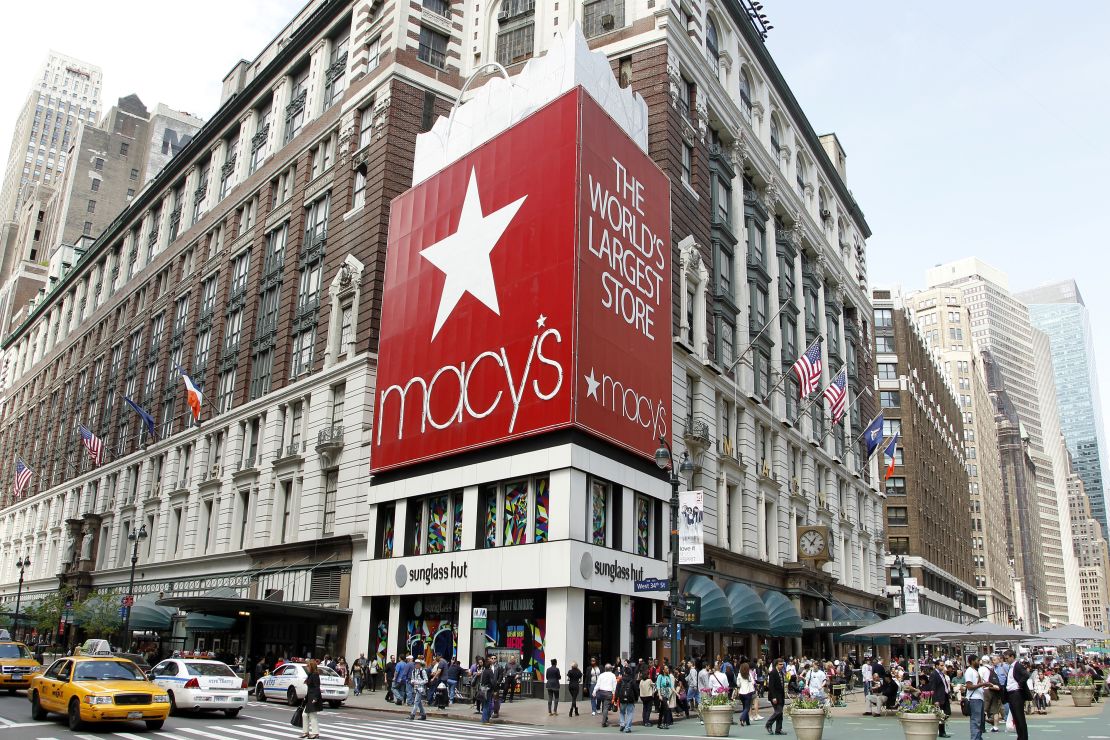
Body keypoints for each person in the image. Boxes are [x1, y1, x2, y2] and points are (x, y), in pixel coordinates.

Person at [1004, 650, 1031, 740]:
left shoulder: (1017, 665)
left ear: (1012, 657)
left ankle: (1023, 737)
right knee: (1016, 717)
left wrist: (1019, 684)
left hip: (1017, 694)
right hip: (1011, 694)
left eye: (1007, 658)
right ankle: (1020, 737)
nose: (1006, 660)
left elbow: (1026, 675)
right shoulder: (1011, 667)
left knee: (1019, 718)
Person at [927, 658, 953, 738]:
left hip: (944, 696)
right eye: (941, 665)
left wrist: (948, 696)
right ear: (936, 666)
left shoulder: (942, 674)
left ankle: (941, 730)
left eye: (943, 665)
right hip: (938, 697)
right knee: (941, 714)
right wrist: (935, 700)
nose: (943, 666)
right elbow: (932, 688)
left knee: (947, 713)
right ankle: (941, 731)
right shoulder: (934, 674)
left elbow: (945, 686)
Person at [963, 655, 987, 740]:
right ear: (972, 661)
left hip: (979, 698)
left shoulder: (975, 671)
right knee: (976, 721)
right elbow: (969, 686)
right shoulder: (969, 671)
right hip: (974, 699)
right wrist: (982, 684)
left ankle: (978, 738)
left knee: (980, 721)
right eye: (977, 660)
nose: (979, 662)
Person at [300, 659, 323, 739]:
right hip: (309, 697)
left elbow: (317, 687)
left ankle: (315, 733)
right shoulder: (310, 674)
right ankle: (306, 732)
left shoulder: (315, 675)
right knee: (305, 714)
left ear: (312, 667)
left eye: (308, 666)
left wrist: (315, 698)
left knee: (313, 715)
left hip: (314, 697)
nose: (307, 668)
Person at [765, 657, 787, 736]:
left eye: (782, 664)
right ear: (776, 665)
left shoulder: (781, 672)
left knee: (780, 713)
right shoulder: (773, 673)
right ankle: (769, 723)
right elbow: (771, 686)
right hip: (774, 696)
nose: (782, 666)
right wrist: (773, 697)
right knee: (778, 711)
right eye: (780, 664)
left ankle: (778, 729)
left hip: (781, 696)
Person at [593, 663, 617, 728]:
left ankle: (605, 718)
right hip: (608, 693)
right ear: (611, 669)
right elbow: (615, 686)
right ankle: (604, 721)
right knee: (606, 707)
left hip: (601, 693)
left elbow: (598, 684)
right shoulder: (613, 675)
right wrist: (614, 694)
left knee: (604, 706)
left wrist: (594, 691)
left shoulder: (601, 675)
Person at [617, 666, 638, 733]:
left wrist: (616, 699)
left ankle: (622, 724)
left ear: (624, 672)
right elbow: (635, 690)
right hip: (630, 699)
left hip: (622, 699)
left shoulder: (621, 680)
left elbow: (617, 690)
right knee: (630, 713)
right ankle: (627, 728)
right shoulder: (632, 681)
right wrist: (636, 698)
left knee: (622, 712)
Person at [735, 661, 756, 726]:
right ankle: (742, 718)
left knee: (744, 707)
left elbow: (738, 684)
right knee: (747, 708)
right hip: (748, 692)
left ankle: (747, 721)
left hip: (741, 693)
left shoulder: (739, 675)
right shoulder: (749, 674)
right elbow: (753, 682)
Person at [655, 664, 675, 729]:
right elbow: (658, 686)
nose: (668, 669)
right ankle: (665, 723)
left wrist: (677, 693)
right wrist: (659, 695)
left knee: (662, 709)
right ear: (663, 670)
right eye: (666, 668)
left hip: (667, 694)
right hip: (662, 694)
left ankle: (659, 723)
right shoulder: (660, 676)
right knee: (666, 708)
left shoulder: (668, 676)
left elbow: (671, 686)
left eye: (668, 668)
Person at [479, 658, 497, 724]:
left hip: (483, 689)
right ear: (489, 666)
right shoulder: (490, 671)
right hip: (488, 690)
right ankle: (485, 720)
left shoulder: (484, 671)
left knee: (485, 705)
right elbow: (493, 681)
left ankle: (484, 719)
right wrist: (495, 689)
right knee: (487, 705)